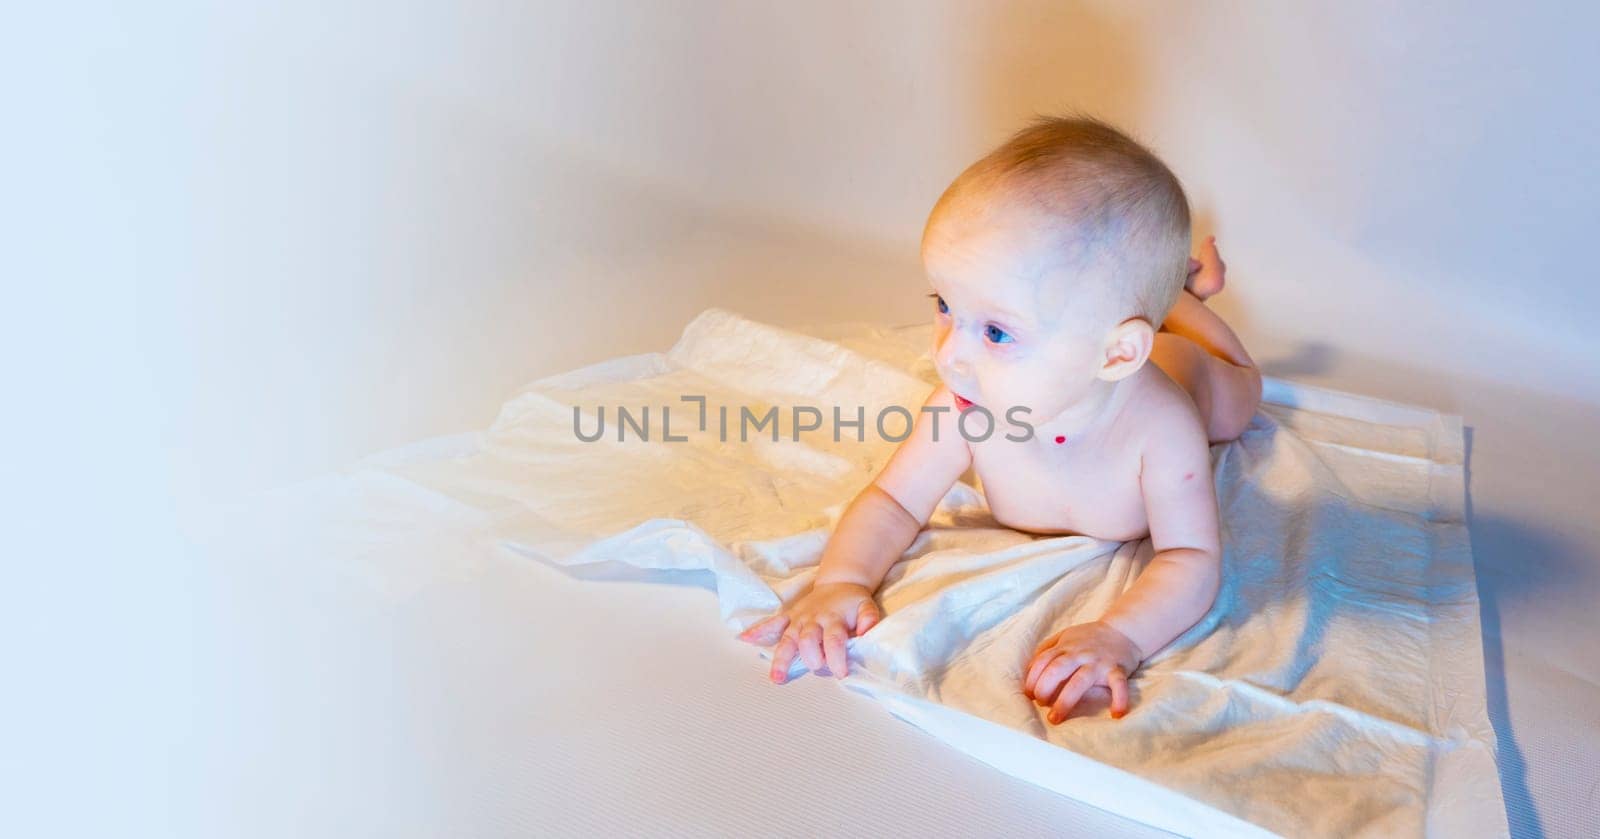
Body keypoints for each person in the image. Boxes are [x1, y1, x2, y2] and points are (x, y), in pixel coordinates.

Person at [738, 115, 1262, 724]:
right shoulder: (967, 410)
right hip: (1127, 339)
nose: (947, 355)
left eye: (995, 331)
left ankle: (1185, 300)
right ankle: (1167, 294)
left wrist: (1121, 635)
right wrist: (841, 579)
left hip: (1186, 370)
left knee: (1238, 389)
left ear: (1118, 354)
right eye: (944, 307)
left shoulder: (1163, 429)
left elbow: (1191, 558)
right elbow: (892, 500)